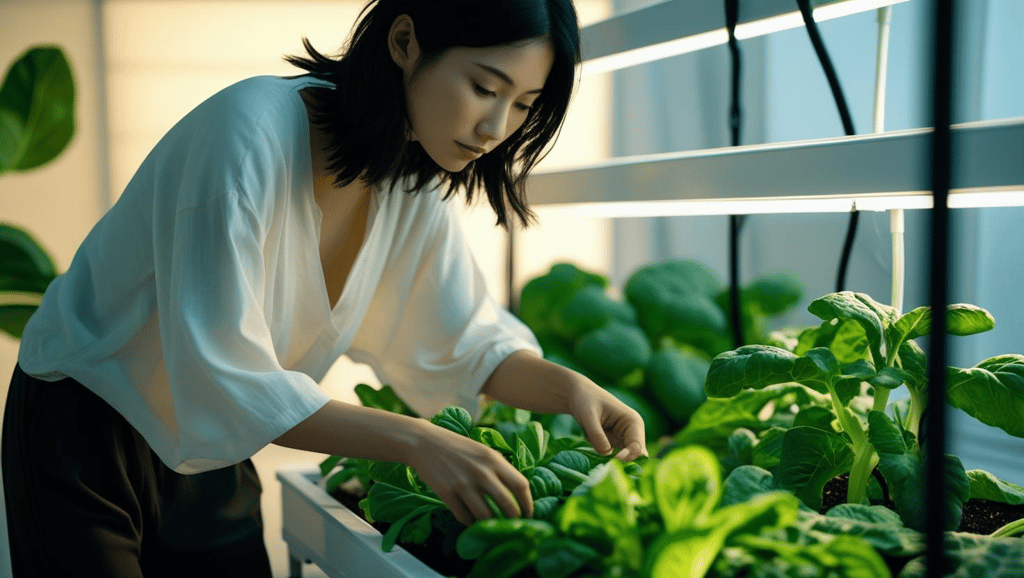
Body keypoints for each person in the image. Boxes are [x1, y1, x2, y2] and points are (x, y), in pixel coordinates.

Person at [2, 0, 647, 576]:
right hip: (87, 429)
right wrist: (420, 443)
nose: (495, 128)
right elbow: (221, 370)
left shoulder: (410, 182)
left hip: (210, 447)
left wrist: (573, 391)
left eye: (524, 106)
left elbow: (463, 342)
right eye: (485, 87)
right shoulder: (246, 131)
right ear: (403, 41)